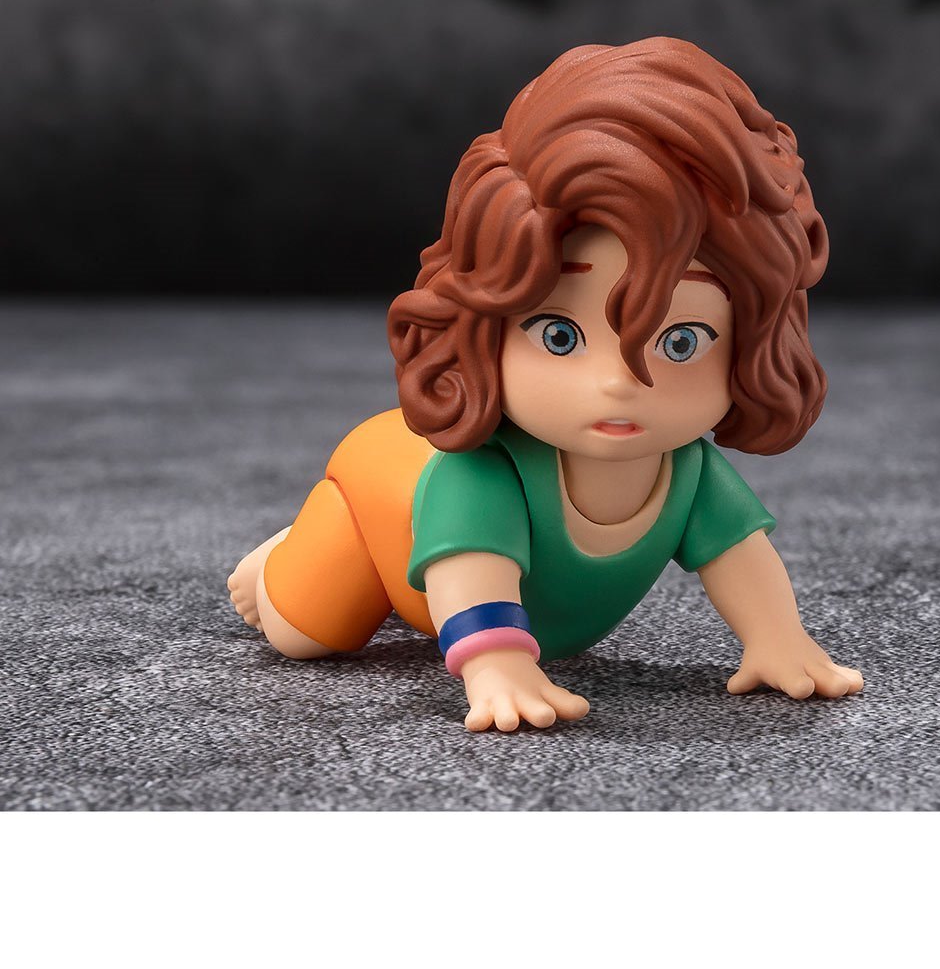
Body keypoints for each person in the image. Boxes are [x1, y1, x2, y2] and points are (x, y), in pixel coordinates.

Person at [227, 37, 864, 732]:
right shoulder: (483, 473)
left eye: (680, 341)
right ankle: (281, 555)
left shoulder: (687, 470)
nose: (620, 383)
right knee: (305, 631)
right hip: (375, 511)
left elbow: (740, 556)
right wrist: (495, 664)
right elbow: (472, 567)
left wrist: (778, 639)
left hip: (529, 612)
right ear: (485, 325)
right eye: (559, 335)